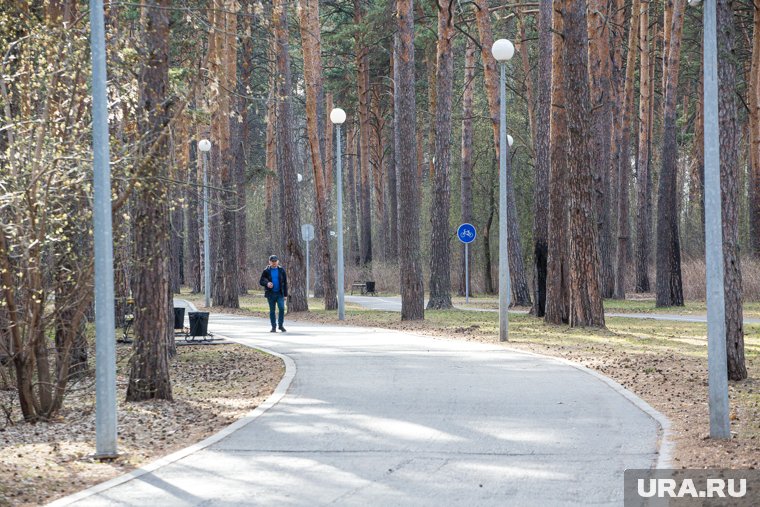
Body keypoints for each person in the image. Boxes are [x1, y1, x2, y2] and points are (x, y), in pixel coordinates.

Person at [260, 255, 288, 332]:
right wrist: (267, 283)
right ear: (269, 262)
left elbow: (285, 283)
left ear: (277, 262)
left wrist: (285, 294)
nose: (274, 263)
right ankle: (273, 327)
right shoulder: (266, 271)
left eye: (275, 261)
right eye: (272, 261)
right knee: (272, 310)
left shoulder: (281, 270)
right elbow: (261, 281)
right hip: (270, 294)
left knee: (282, 308)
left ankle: (280, 325)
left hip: (280, 293)